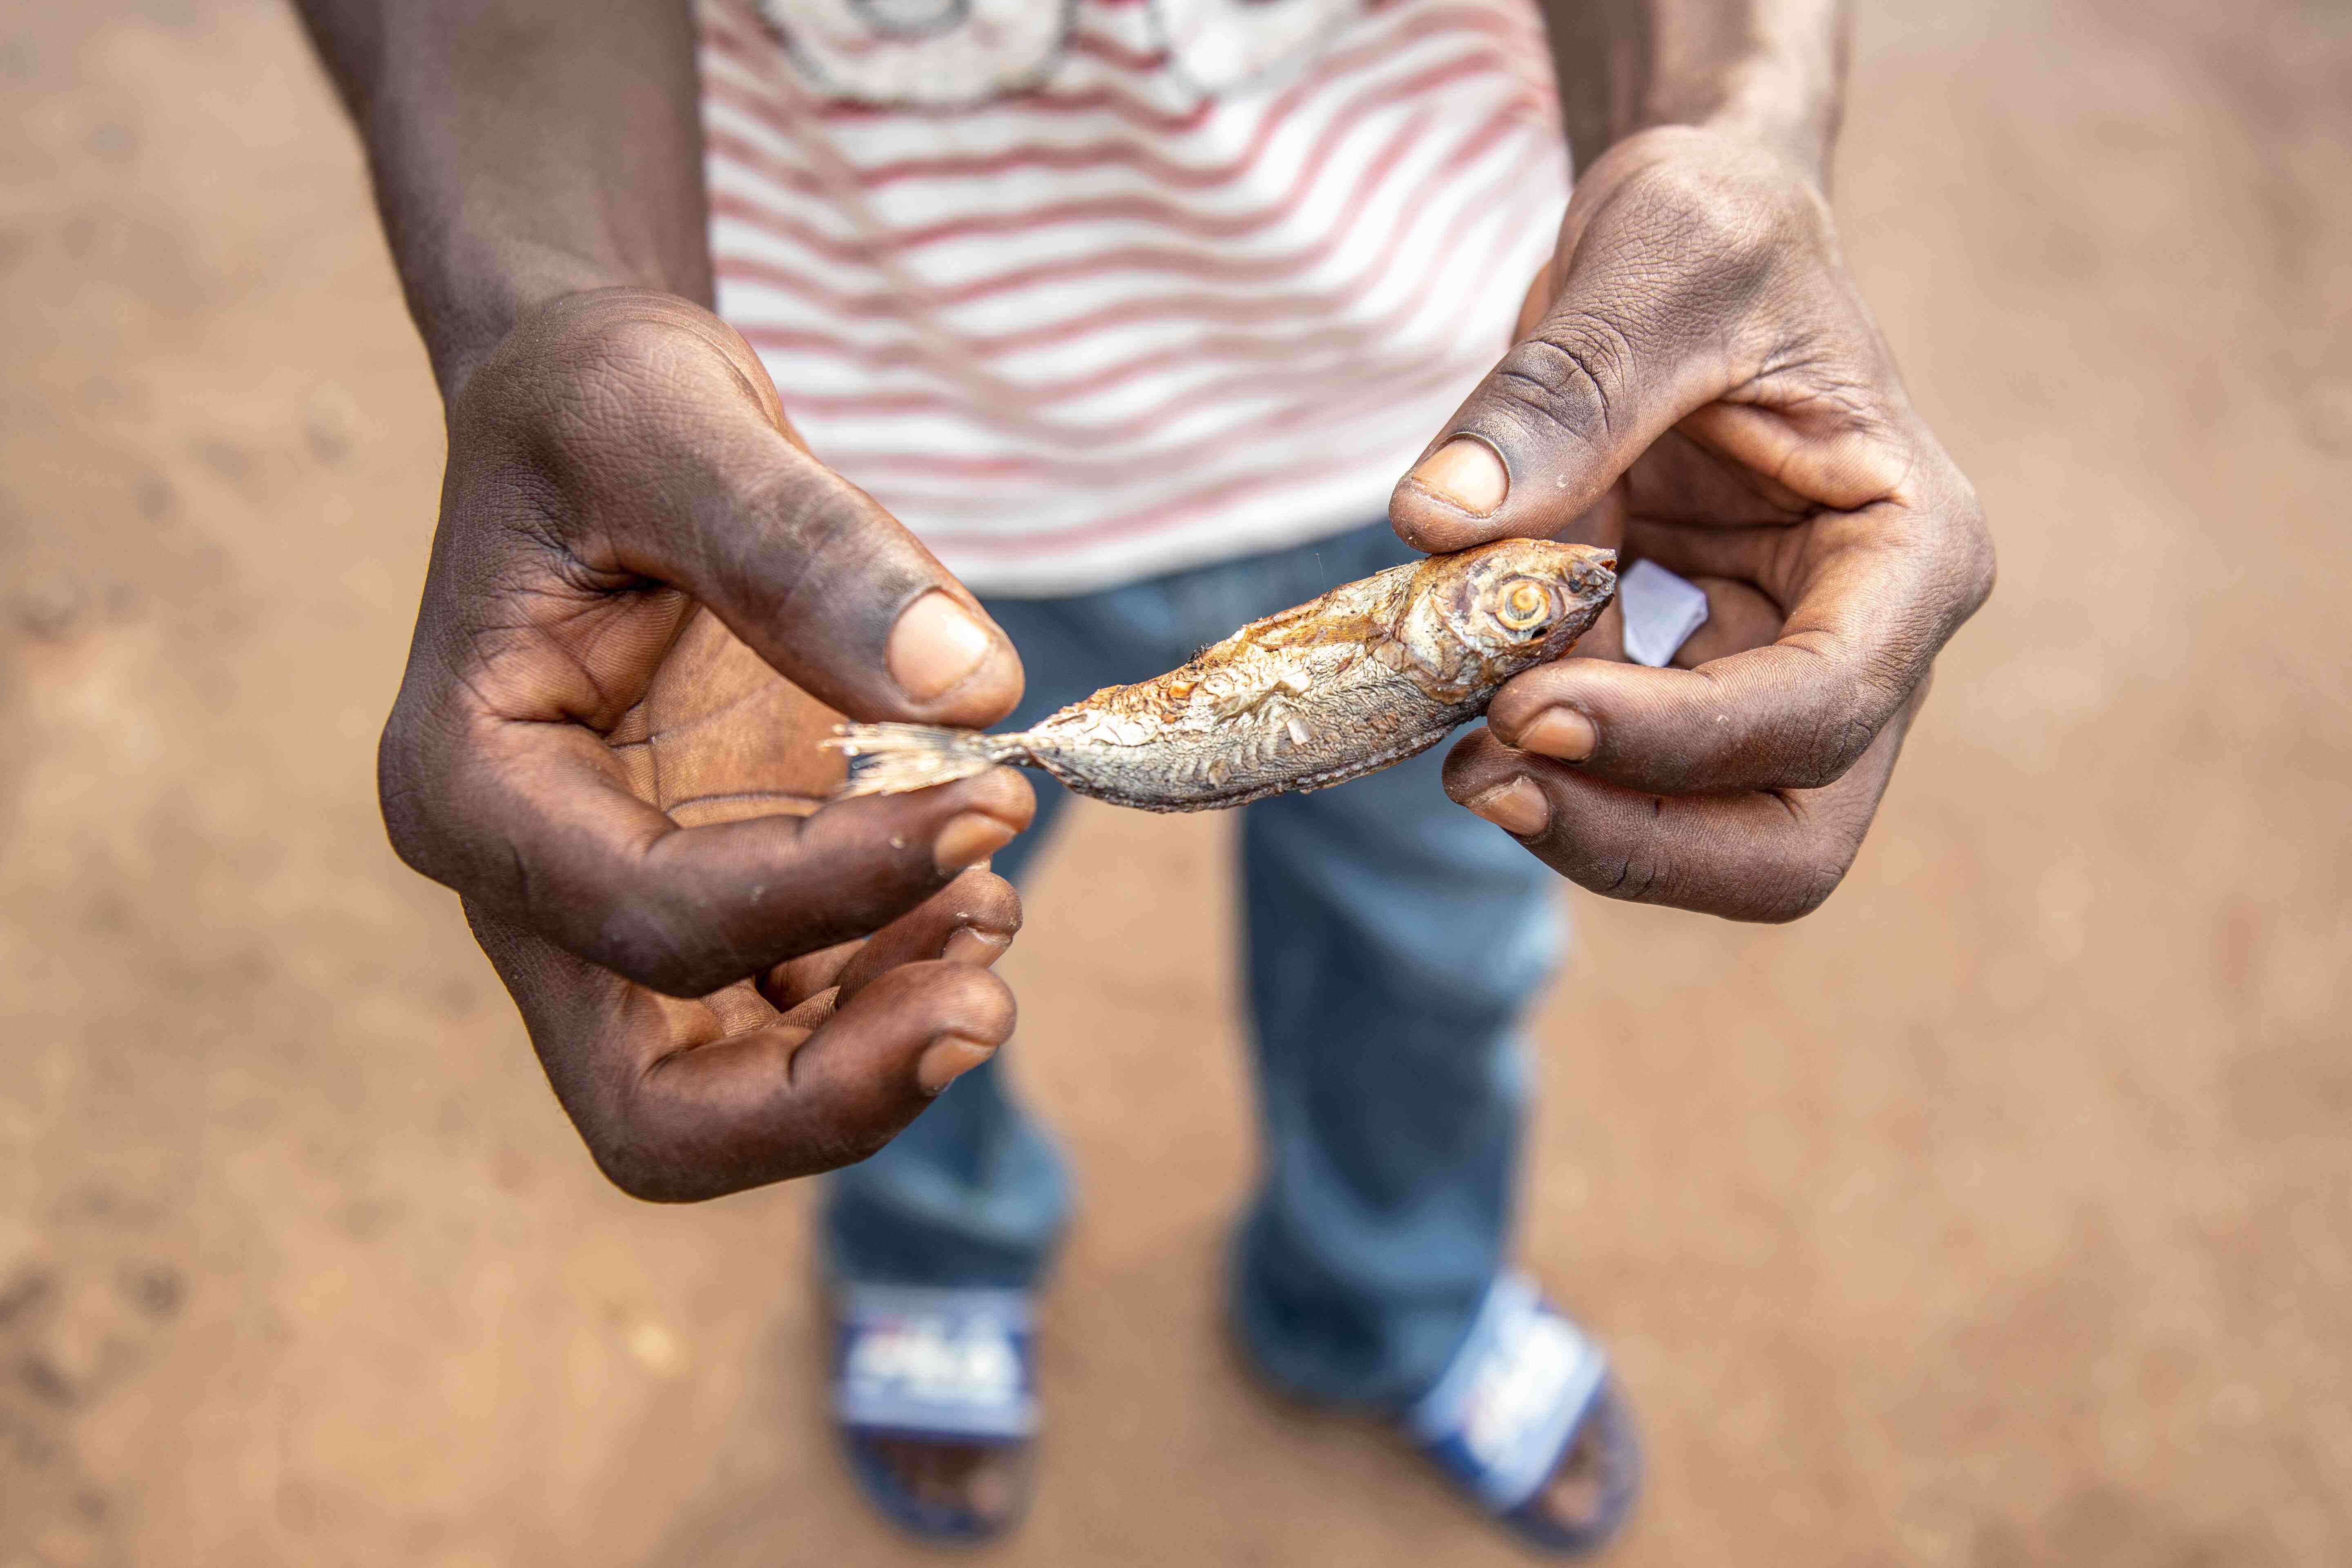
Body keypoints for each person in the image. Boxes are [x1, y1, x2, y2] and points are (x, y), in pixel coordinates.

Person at [296, 0, 1991, 1549]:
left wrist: (1730, 130)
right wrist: (560, 307)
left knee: (1443, 953)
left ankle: (1390, 1292)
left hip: (1457, 419)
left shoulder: (1530, 533)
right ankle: (936, 1256)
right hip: (841, 493)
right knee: (864, 947)